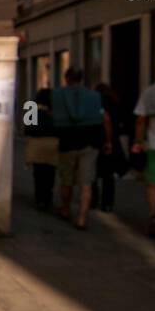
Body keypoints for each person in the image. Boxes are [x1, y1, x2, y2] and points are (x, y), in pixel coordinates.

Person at [51, 66, 111, 230]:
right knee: (86, 183)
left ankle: (65, 208)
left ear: (66, 78)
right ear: (82, 78)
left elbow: (33, 108)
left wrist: (30, 126)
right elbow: (105, 118)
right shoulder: (94, 96)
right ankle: (82, 218)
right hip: (90, 143)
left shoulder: (56, 94)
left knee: (67, 180)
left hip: (67, 143)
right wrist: (108, 141)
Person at [132, 60, 155, 238]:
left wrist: (138, 141)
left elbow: (140, 120)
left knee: (153, 184)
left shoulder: (150, 92)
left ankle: (153, 216)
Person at [93, 83, 126, 213]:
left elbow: (105, 121)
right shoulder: (115, 103)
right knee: (108, 175)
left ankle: (93, 200)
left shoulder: (96, 104)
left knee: (93, 173)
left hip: (99, 140)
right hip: (113, 141)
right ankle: (107, 203)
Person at [24, 87, 58, 210]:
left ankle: (39, 199)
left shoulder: (31, 107)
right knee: (50, 172)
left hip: (36, 144)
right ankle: (48, 197)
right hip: (53, 144)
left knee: (38, 173)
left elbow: (27, 129)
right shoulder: (56, 110)